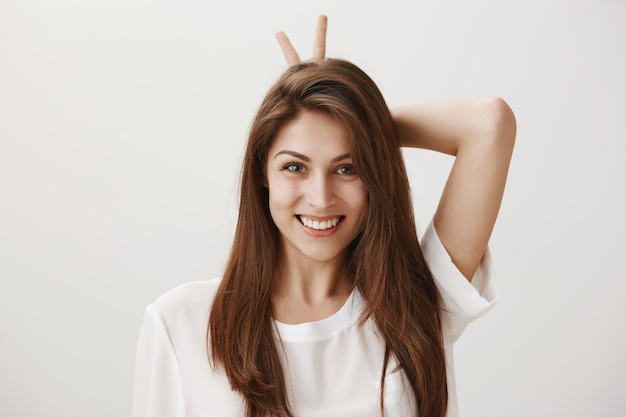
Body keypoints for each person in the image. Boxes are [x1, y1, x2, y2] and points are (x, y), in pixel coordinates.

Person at [132, 15, 516, 417]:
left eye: (347, 167)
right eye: (295, 167)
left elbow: (489, 123)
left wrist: (359, 120)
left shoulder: (417, 302)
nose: (320, 198)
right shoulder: (181, 323)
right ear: (262, 171)